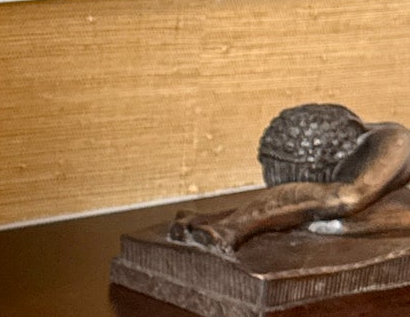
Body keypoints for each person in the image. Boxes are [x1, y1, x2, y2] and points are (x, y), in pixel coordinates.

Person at [170, 104, 410, 256]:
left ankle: (225, 225)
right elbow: (329, 197)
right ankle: (224, 225)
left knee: (340, 208)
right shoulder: (382, 146)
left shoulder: (393, 143)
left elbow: (344, 196)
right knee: (336, 207)